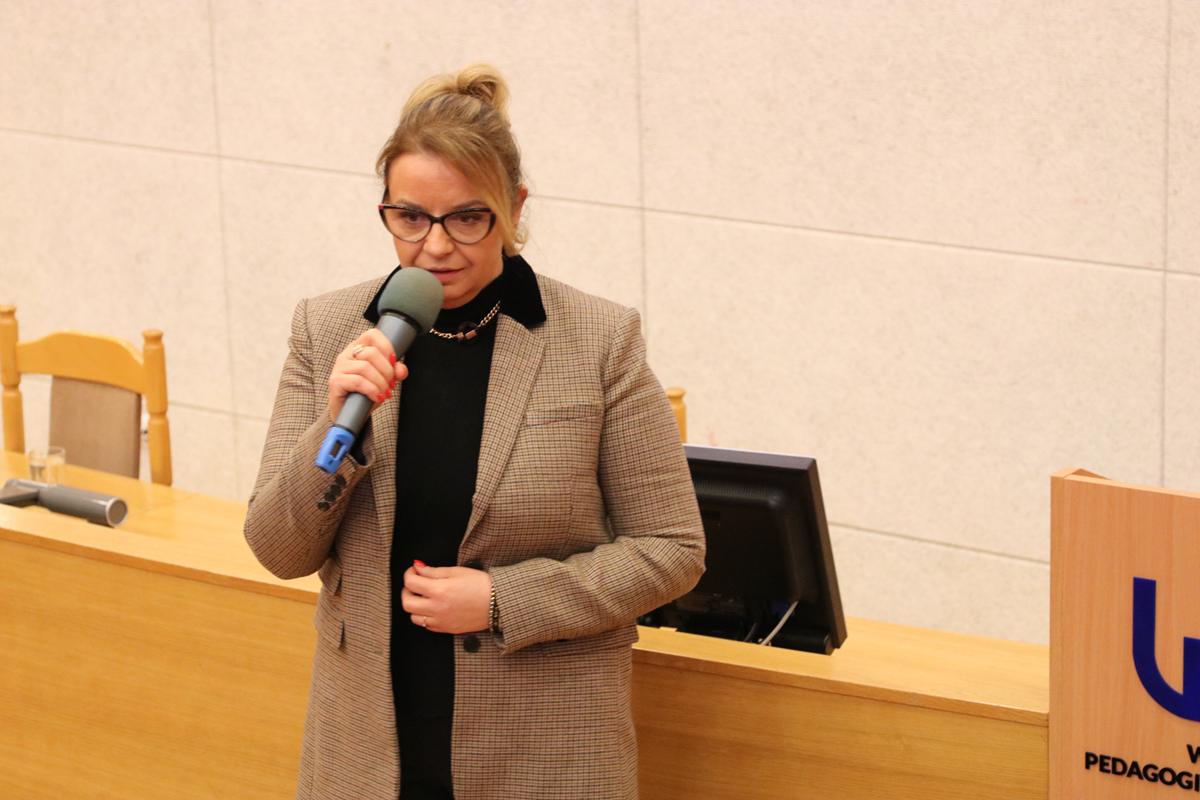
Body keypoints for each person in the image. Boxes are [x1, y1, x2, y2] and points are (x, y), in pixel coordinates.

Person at [244, 63, 705, 800]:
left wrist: (502, 599)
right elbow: (277, 549)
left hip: (544, 750)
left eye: (466, 218)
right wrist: (337, 424)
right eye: (410, 218)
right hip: (367, 750)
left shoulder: (598, 341)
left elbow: (672, 549)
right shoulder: (328, 331)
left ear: (513, 207)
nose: (434, 247)